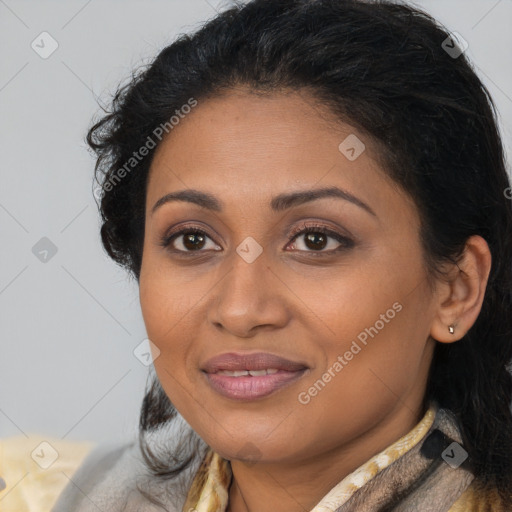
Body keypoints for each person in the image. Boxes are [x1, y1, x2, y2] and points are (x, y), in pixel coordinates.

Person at [4, 0, 511, 510]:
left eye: (316, 240)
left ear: (456, 289)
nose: (240, 310)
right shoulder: (46, 496)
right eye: (193, 240)